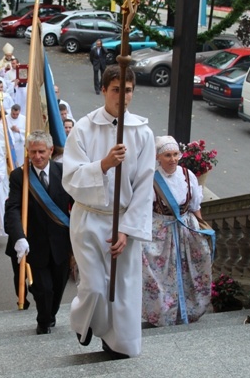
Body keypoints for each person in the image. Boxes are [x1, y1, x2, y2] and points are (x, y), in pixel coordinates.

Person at [62, 65, 155, 359]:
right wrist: (102, 165)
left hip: (123, 224)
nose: (122, 97)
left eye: (128, 91)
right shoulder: (83, 128)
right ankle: (84, 323)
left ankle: (119, 345)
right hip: (89, 218)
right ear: (103, 90)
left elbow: (144, 186)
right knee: (94, 287)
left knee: (123, 290)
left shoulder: (143, 133)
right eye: (116, 90)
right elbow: (70, 178)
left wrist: (127, 230)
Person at [4, 131, 72, 335]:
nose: (37, 156)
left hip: (61, 242)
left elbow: (76, 205)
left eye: (41, 151)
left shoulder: (64, 172)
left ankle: (50, 315)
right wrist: (18, 237)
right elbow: (13, 208)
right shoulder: (19, 176)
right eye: (33, 152)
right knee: (44, 289)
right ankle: (43, 322)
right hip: (34, 242)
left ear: (51, 151)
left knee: (58, 287)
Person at [142, 136, 212, 327]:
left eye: (175, 154)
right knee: (162, 274)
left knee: (192, 269)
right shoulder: (152, 180)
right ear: (158, 157)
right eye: (167, 155)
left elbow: (195, 204)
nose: (172, 159)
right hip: (162, 230)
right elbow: (145, 210)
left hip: (186, 229)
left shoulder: (187, 175)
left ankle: (189, 310)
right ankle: (165, 314)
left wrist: (201, 224)